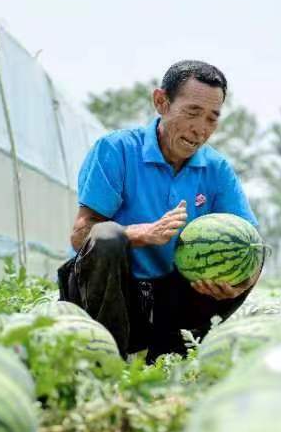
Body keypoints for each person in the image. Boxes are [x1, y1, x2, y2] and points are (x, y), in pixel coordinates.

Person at [57, 60, 262, 363]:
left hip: (170, 299)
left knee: (250, 248)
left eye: (212, 119)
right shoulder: (116, 150)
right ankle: (107, 355)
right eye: (192, 112)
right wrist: (139, 234)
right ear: (161, 102)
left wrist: (237, 285)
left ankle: (169, 351)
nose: (200, 129)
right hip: (110, 295)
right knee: (106, 235)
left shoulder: (216, 169)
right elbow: (81, 235)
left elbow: (251, 241)